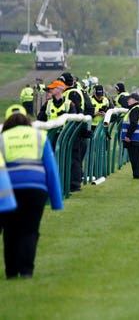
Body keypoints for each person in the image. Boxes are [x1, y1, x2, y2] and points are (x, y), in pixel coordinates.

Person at [0, 105, 63, 279]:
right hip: (36, 189)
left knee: (10, 231)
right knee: (30, 230)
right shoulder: (40, 137)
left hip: (8, 189)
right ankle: (27, 271)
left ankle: (11, 272)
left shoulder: (2, 139)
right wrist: (56, 201)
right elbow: (51, 170)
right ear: (28, 120)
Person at [59, 72, 94, 193]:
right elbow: (89, 109)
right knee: (75, 158)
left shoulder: (72, 93)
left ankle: (73, 184)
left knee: (74, 158)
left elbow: (78, 111)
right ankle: (73, 182)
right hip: (78, 128)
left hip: (73, 129)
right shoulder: (79, 92)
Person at [36, 80, 76, 150]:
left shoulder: (69, 104)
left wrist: (66, 116)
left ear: (59, 89)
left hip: (64, 136)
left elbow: (74, 122)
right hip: (50, 135)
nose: (50, 90)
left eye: (52, 88)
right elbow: (40, 119)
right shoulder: (47, 104)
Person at [121, 93, 139, 179]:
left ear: (135, 100)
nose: (128, 100)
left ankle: (137, 176)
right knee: (137, 160)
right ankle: (137, 175)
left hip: (135, 139)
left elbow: (133, 124)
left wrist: (128, 136)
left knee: (135, 159)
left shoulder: (135, 109)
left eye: (130, 99)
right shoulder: (138, 108)